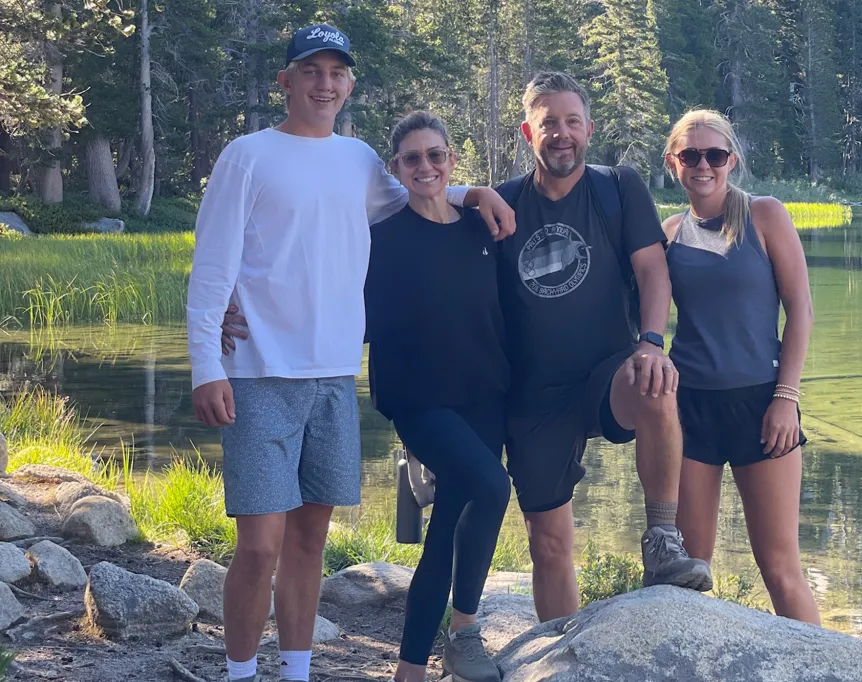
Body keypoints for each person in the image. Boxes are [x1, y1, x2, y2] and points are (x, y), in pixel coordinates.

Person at [188, 24, 514, 682]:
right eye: (310, 70)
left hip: (335, 378)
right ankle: (240, 673)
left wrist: (473, 192)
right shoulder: (247, 154)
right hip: (258, 374)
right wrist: (206, 365)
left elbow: (418, 200)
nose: (324, 83)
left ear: (350, 84)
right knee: (259, 546)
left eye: (337, 72)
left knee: (310, 541)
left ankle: (298, 671)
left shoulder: (360, 159)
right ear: (286, 81)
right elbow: (211, 266)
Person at [494, 72, 712, 623]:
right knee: (548, 544)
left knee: (657, 381)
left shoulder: (618, 188)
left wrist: (652, 342)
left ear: (588, 128)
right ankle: (558, 651)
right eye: (549, 124)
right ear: (527, 132)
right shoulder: (501, 204)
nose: (561, 134)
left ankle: (663, 540)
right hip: (533, 393)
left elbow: (653, 271)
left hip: (608, 373)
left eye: (572, 122)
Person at [363, 111, 509, 682]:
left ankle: (415, 665)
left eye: (435, 155)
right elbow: (335, 297)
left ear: (451, 159)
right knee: (490, 484)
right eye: (412, 158)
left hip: (486, 392)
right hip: (418, 399)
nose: (425, 166)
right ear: (396, 167)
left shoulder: (483, 229)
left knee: (452, 518)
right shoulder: (382, 237)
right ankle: (464, 627)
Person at [661, 109, 821, 624]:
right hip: (690, 413)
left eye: (715, 155)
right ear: (674, 162)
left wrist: (786, 398)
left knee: (779, 568)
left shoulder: (766, 215)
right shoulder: (667, 235)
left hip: (762, 406)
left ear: (732, 160)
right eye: (691, 155)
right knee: (689, 572)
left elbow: (800, 310)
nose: (703, 165)